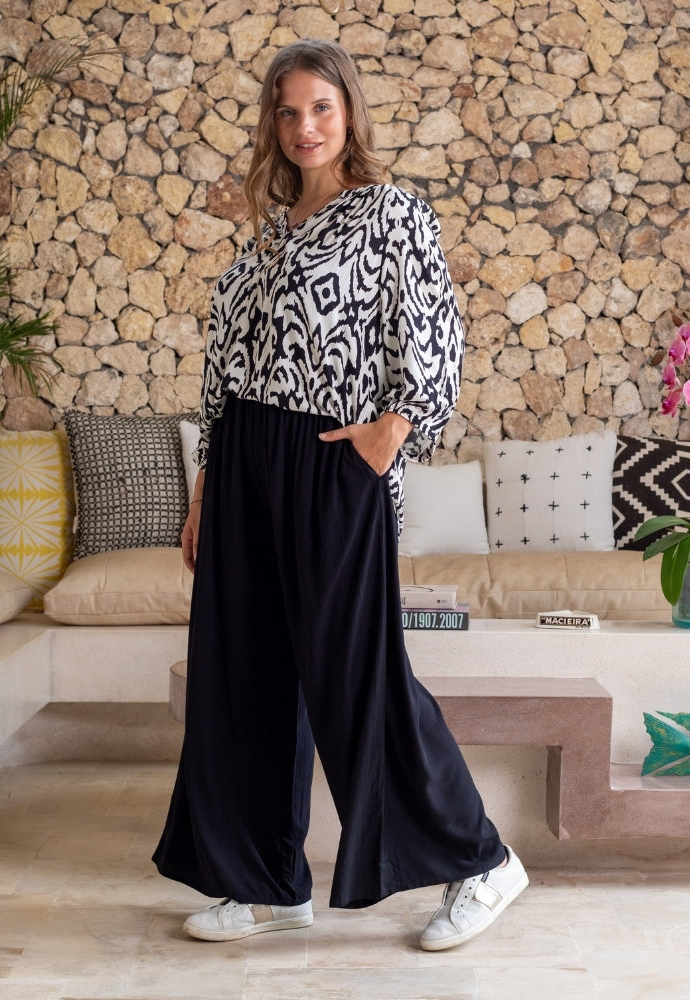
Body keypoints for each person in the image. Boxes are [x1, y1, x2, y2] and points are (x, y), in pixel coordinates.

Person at [152, 38, 528, 951]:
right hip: (243, 460)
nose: (304, 126)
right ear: (272, 127)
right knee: (243, 674)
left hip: (331, 460)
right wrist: (207, 489)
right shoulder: (271, 232)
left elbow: (432, 333)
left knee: (356, 679)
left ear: (349, 111)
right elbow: (225, 372)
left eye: (320, 107)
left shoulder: (391, 213)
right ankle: (264, 877)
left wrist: (389, 431)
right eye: (287, 111)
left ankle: (482, 862)